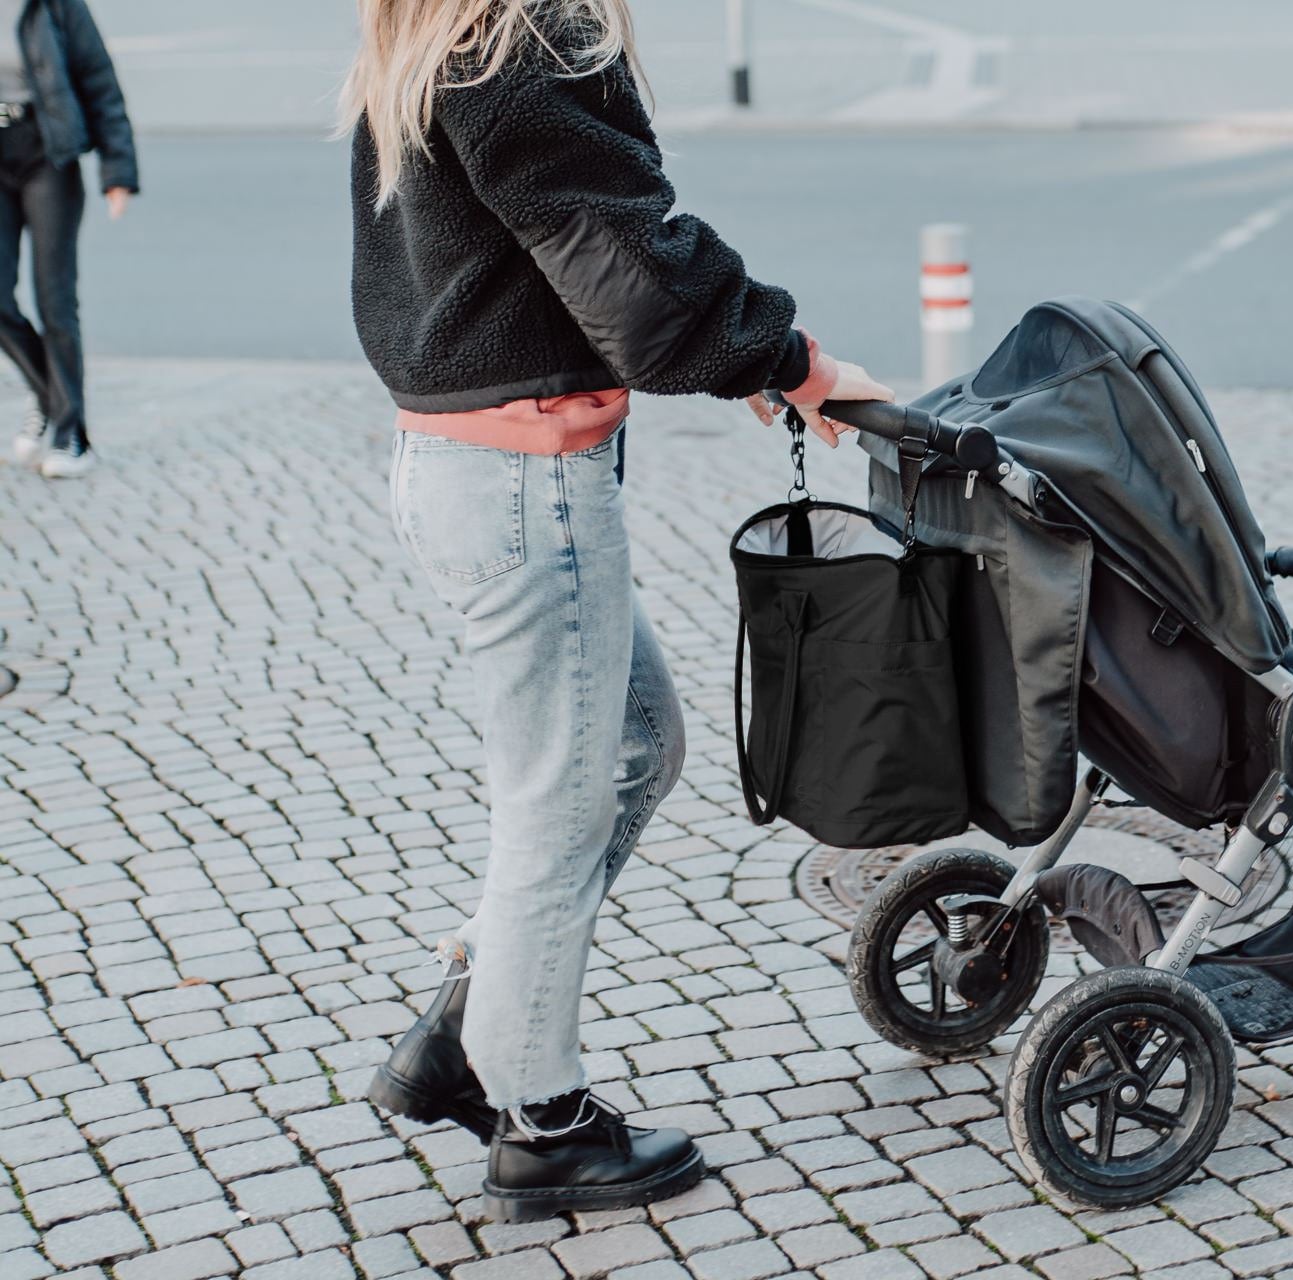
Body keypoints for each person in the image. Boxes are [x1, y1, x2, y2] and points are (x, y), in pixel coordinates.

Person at [343, 0, 892, 1222]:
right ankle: (541, 1120)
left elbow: (568, 255)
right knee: (561, 794)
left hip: (470, 467)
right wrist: (794, 360)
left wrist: (746, 359)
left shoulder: (440, 32)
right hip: (522, 483)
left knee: (640, 744)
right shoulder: (519, 34)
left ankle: (465, 1031)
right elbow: (628, 261)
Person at [2, 0, 136, 480]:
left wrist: (117, 169)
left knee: (54, 299)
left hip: (47, 157)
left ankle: (70, 432)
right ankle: (50, 399)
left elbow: (97, 77)